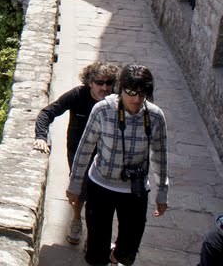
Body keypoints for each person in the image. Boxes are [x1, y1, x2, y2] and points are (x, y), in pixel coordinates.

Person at [67, 64, 168, 265]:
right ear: (121, 89)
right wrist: (75, 184)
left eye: (142, 93)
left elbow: (160, 155)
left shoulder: (155, 116)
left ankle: (116, 256)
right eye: (131, 93)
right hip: (101, 185)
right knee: (96, 247)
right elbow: (85, 147)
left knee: (128, 249)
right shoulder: (103, 110)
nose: (137, 100)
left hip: (134, 190)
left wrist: (162, 191)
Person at [34, 61, 119, 245]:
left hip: (105, 153)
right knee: (79, 189)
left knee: (99, 195)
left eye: (109, 82)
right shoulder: (78, 96)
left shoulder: (116, 101)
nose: (105, 87)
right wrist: (41, 136)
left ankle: (94, 234)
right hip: (78, 150)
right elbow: (48, 112)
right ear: (90, 82)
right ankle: (75, 219)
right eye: (100, 82)